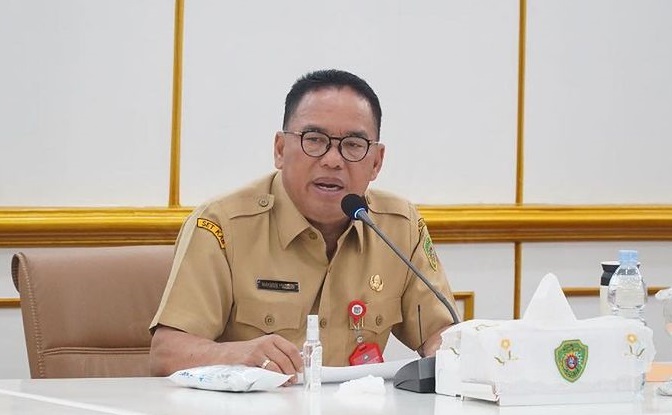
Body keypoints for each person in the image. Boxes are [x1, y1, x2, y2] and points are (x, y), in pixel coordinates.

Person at [149, 69, 458, 381]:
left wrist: (450, 354)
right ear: (280, 150)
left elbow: (442, 335)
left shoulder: (399, 228)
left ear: (376, 162)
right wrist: (234, 355)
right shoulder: (222, 226)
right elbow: (167, 353)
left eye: (353, 145)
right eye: (315, 140)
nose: (332, 160)